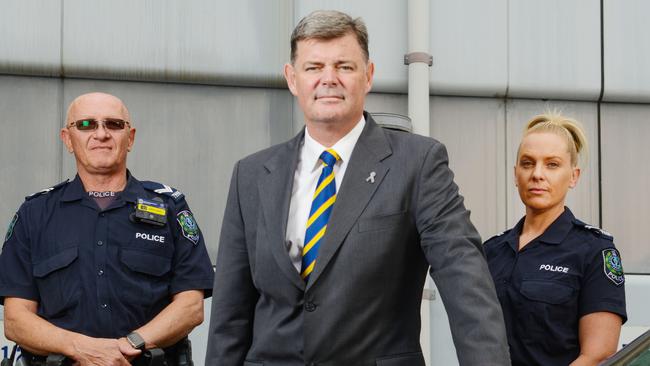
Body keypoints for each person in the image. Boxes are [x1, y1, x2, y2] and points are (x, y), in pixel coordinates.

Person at [206, 10, 509, 366]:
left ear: (368, 76)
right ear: (292, 78)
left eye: (344, 67)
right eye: (314, 67)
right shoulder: (252, 174)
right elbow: (231, 312)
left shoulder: (418, 163)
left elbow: (466, 282)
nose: (328, 79)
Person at [0, 92, 214, 366]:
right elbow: (17, 321)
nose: (101, 134)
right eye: (87, 125)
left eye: (113, 124)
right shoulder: (35, 213)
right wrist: (80, 348)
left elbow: (191, 307)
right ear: (67, 139)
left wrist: (128, 346)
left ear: (131, 138)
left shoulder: (170, 207)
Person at [484, 113, 627, 366]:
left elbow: (598, 355)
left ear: (573, 176)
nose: (537, 174)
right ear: (515, 174)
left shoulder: (593, 251)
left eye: (552, 164)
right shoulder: (492, 251)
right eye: (528, 163)